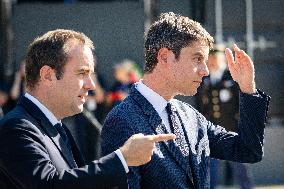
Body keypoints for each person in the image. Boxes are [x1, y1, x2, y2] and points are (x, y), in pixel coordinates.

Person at [101, 12, 270, 189]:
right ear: (164, 57)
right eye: (197, 59)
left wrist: (248, 88)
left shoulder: (190, 116)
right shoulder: (122, 121)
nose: (205, 70)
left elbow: (249, 151)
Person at [0, 29, 176, 189]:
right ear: (48, 75)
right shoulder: (16, 127)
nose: (91, 85)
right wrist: (123, 159)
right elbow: (50, 186)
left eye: (90, 74)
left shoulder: (55, 127)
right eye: (82, 73)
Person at [196, 45, 253, 189]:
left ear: (223, 59)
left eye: (216, 58)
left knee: (239, 166)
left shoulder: (232, 77)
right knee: (209, 169)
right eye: (211, 58)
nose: (213, 61)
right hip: (211, 131)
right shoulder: (204, 79)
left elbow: (242, 103)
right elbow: (201, 105)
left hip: (231, 129)